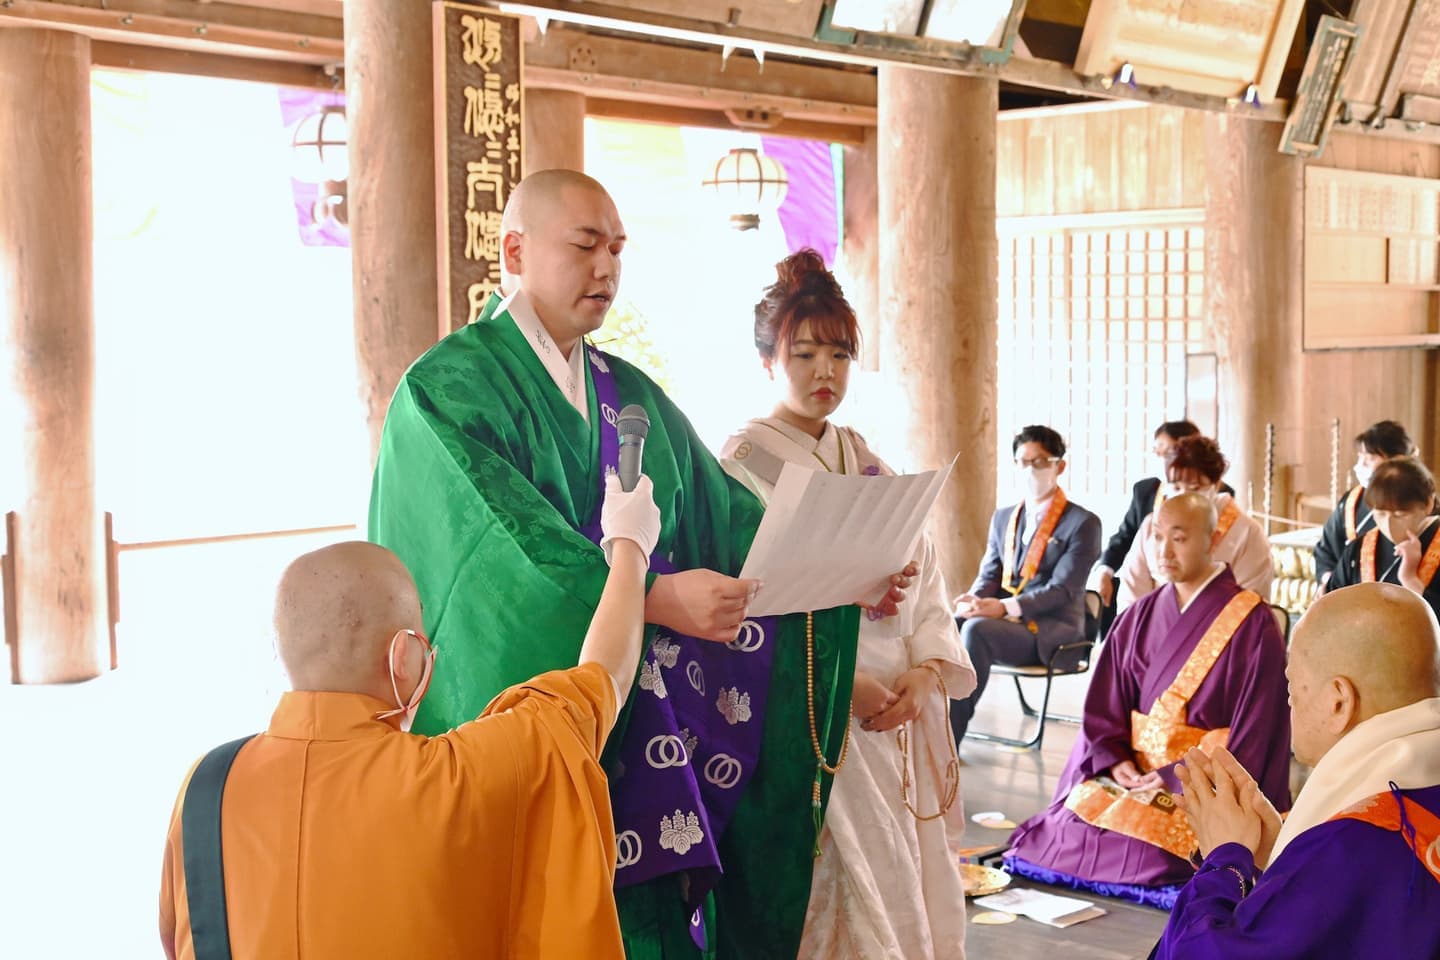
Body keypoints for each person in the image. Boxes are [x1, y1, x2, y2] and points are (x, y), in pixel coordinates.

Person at [367, 170, 910, 959]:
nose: (607, 268)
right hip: (530, 724)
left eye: (617, 248)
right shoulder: (448, 390)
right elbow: (499, 556)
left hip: (647, 729)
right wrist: (652, 596)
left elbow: (732, 520)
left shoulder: (625, 391)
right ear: (515, 249)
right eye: (585, 245)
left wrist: (845, 570)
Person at [160, 476, 659, 959]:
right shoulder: (465, 776)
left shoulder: (205, 786)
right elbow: (603, 679)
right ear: (403, 657)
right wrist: (630, 548)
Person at [719, 250, 976, 960]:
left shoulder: (865, 458)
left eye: (838, 353)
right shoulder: (741, 465)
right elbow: (740, 606)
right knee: (830, 889)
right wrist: (840, 685)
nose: (824, 371)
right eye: (803, 353)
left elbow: (923, 580)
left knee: (902, 877)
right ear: (769, 359)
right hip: (806, 708)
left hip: (893, 706)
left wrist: (926, 669)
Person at [1006, 493, 1291, 901]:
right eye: (1156, 537)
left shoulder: (1255, 625)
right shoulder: (1137, 617)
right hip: (1131, 775)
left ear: (1212, 541)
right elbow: (1105, 711)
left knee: (1155, 841)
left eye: (1179, 538)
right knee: (1070, 823)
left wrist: (1172, 775)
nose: (1163, 551)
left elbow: (1257, 733)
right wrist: (1114, 759)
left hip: (1199, 785)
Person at [1152, 582, 1440, 958]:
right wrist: (1284, 850)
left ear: (1339, 702)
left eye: (1292, 688)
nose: (1289, 704)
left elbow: (1209, 953)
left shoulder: (1343, 848)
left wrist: (1225, 857)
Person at [948, 425, 1102, 744]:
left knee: (977, 631)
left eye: (1041, 462)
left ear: (1059, 466)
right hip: (1007, 622)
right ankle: (926, 727)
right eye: (1023, 461)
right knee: (951, 622)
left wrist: (1002, 607)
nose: (1031, 470)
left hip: (1051, 630)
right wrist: (975, 601)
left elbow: (1064, 590)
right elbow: (990, 574)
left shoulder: (1083, 523)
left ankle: (948, 738)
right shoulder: (1005, 517)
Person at [1093, 421, 1234, 620]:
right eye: (1157, 451)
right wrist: (1105, 570)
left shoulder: (1234, 519)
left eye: (1166, 450)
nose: (1161, 457)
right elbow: (1127, 546)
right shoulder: (1148, 497)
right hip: (1153, 616)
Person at [1117, 435, 1272, 611]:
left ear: (1216, 484)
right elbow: (1131, 592)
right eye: (1176, 488)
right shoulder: (1152, 525)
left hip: (1219, 629)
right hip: (1154, 628)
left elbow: (1249, 603)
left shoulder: (1247, 533)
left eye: (1195, 489)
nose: (1184, 496)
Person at [1327, 456, 1440, 620]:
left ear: (1428, 504)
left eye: (1400, 515)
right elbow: (1332, 605)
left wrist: (1411, 581)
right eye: (1380, 514)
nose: (1388, 525)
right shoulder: (1359, 548)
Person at [1314, 419, 1416, 588]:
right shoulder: (1351, 501)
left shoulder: (1416, 502)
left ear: (1397, 460)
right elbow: (1326, 549)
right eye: (1360, 457)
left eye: (1370, 458)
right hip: (1347, 593)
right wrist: (1329, 581)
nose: (1360, 465)